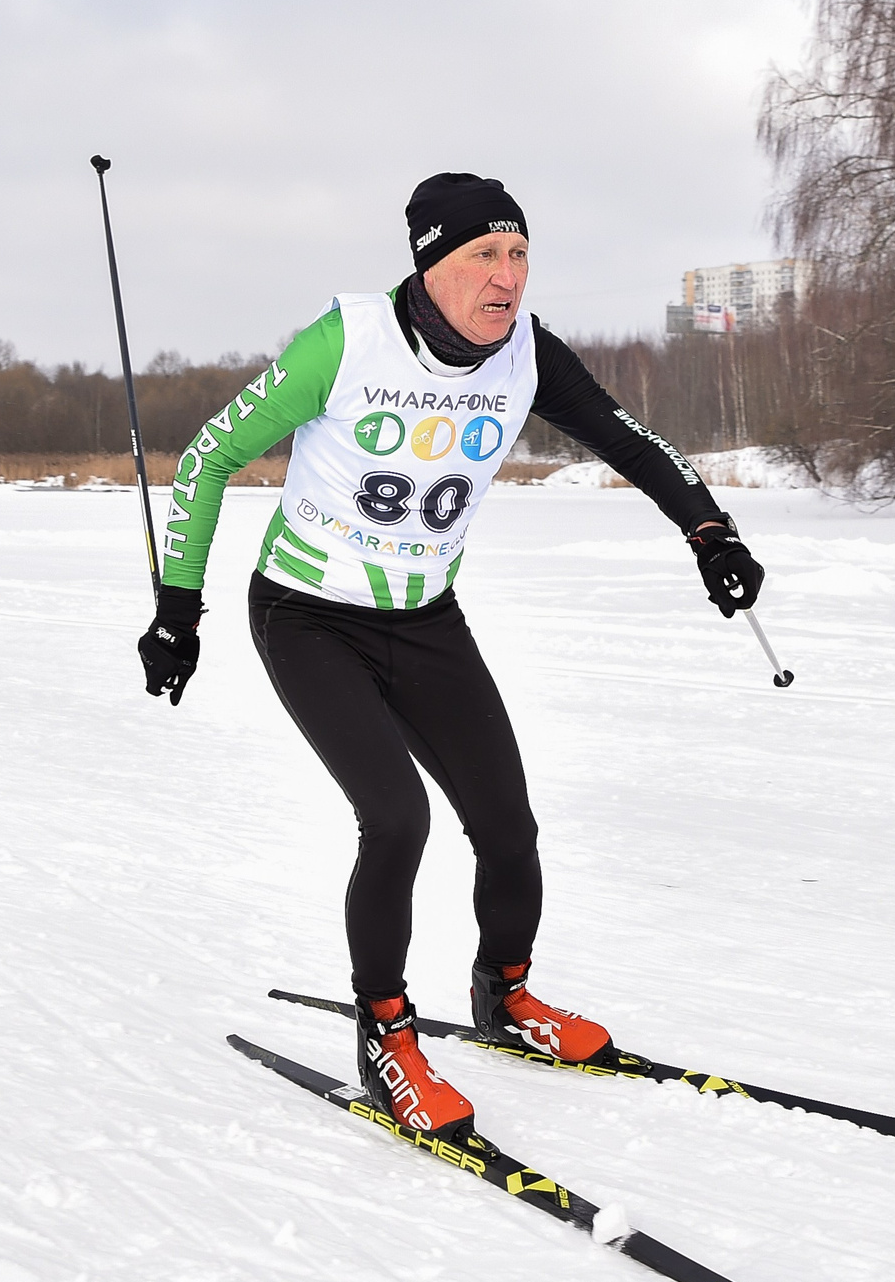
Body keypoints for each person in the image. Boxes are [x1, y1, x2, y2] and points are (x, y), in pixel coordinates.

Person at [136, 173, 764, 1142]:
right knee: (395, 819)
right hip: (309, 617)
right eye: (483, 255)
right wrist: (179, 609)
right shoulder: (345, 343)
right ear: (429, 266)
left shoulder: (526, 351)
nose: (506, 275)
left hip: (425, 617)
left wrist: (709, 532)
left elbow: (631, 443)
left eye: (518, 255)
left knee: (508, 827)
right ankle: (385, 1034)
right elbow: (209, 455)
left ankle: (504, 999)